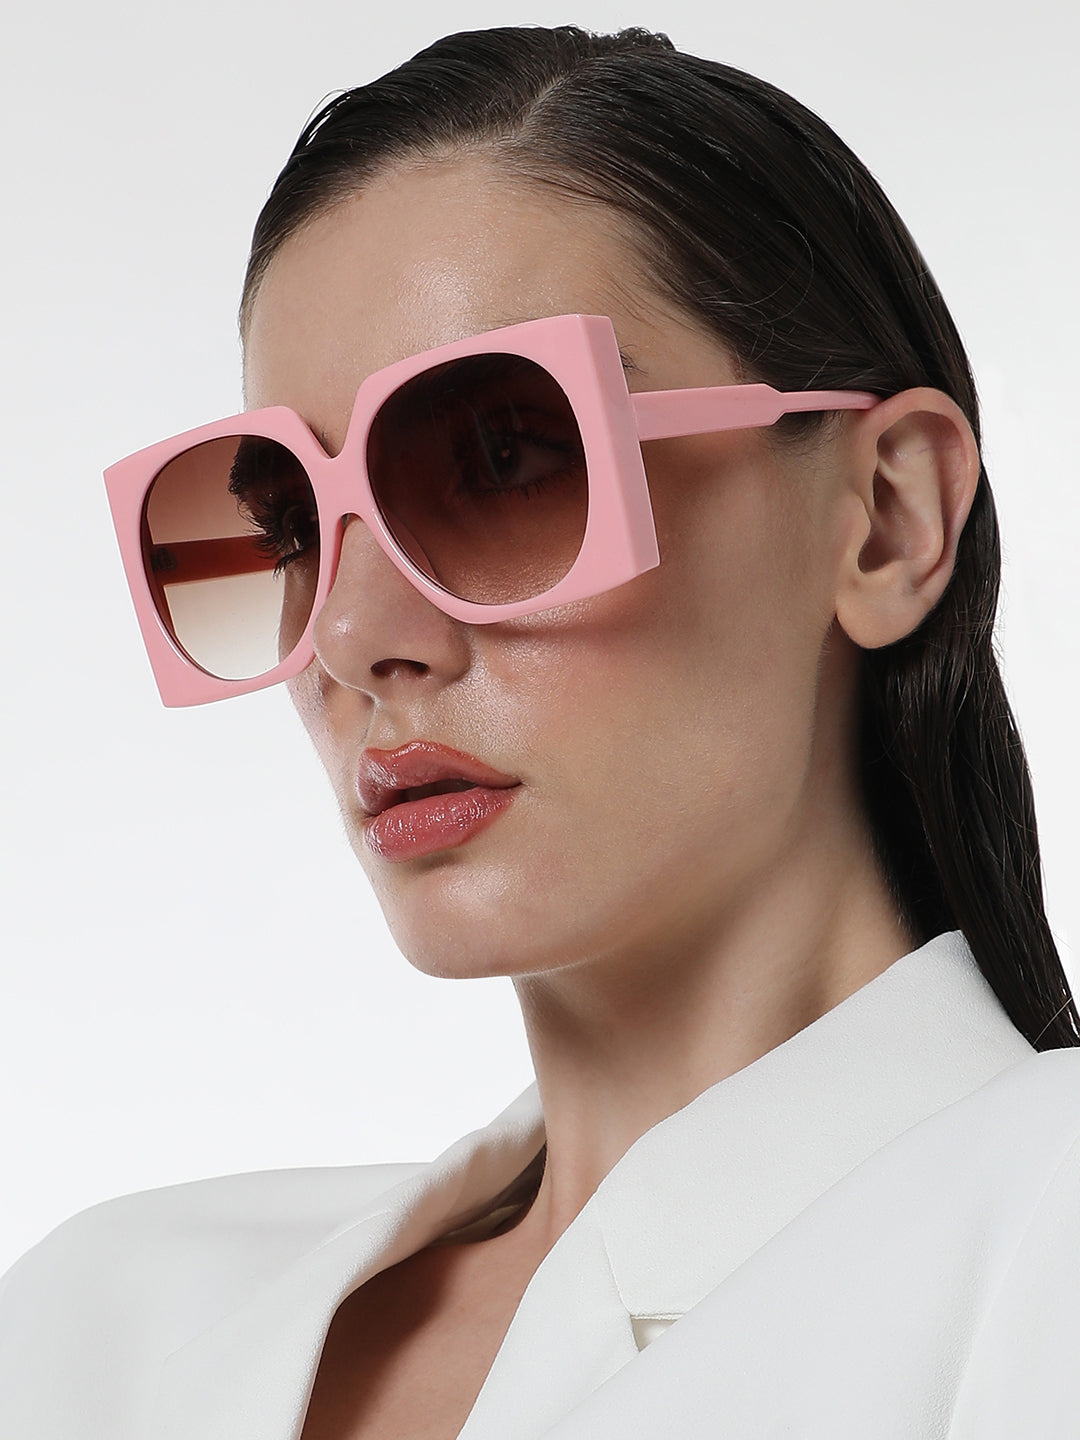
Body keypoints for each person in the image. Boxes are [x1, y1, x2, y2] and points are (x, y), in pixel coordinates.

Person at [2, 22, 1079, 1440]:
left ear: (886, 519)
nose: (349, 635)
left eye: (506, 459)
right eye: (290, 520)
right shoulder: (96, 1327)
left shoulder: (1045, 1229)